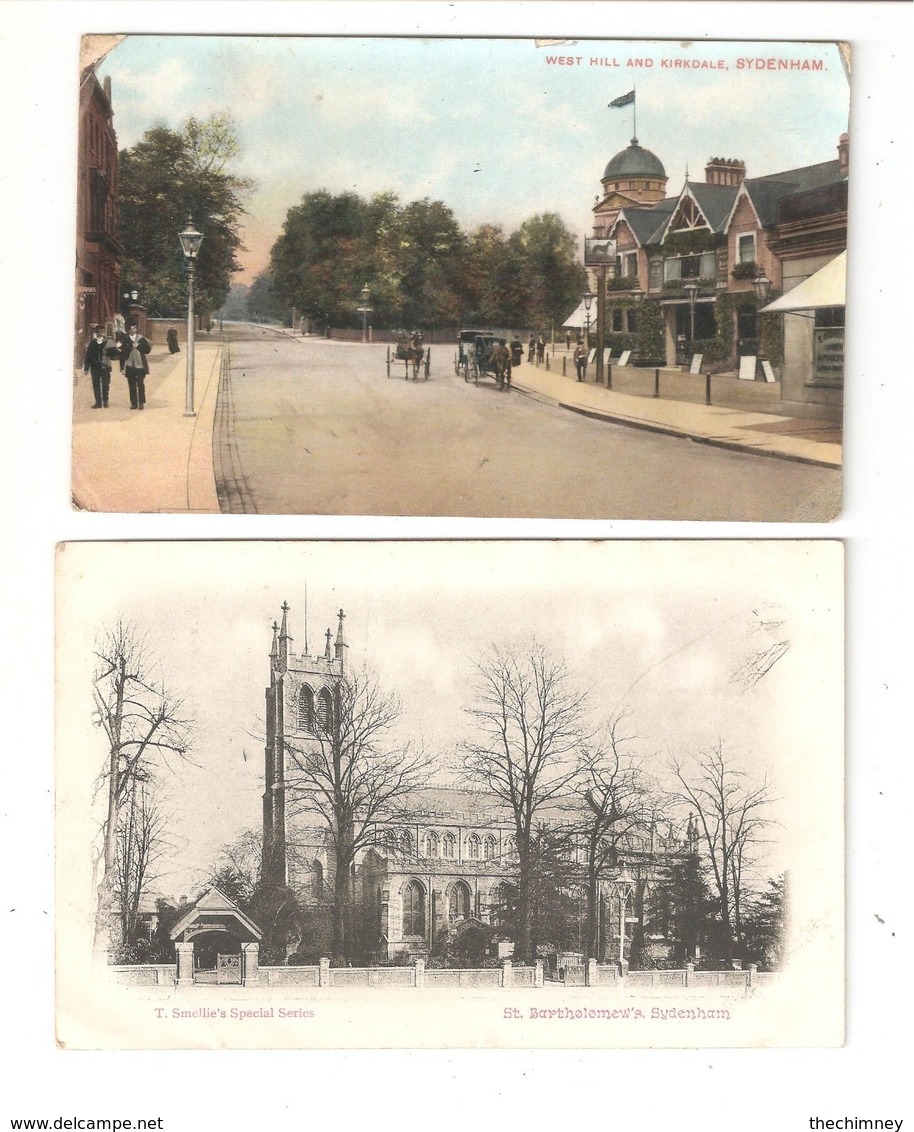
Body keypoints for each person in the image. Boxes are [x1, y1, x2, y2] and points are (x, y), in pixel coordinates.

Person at [120, 324, 151, 410]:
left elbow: (147, 350)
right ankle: (134, 403)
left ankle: (141, 402)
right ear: (128, 330)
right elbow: (122, 354)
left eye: (134, 328)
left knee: (140, 384)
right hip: (130, 365)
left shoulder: (141, 339)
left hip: (140, 365)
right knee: (131, 385)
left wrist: (138, 346)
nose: (132, 330)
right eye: (131, 328)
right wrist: (122, 367)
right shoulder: (126, 340)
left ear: (136, 329)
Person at [83, 324, 113, 408]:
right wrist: (86, 368)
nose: (100, 333)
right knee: (96, 384)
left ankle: (105, 400)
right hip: (95, 366)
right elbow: (88, 355)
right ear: (96, 332)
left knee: (105, 384)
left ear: (104, 332)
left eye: (101, 331)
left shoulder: (107, 342)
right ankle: (98, 403)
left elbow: (113, 354)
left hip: (105, 366)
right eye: (98, 331)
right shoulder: (92, 343)